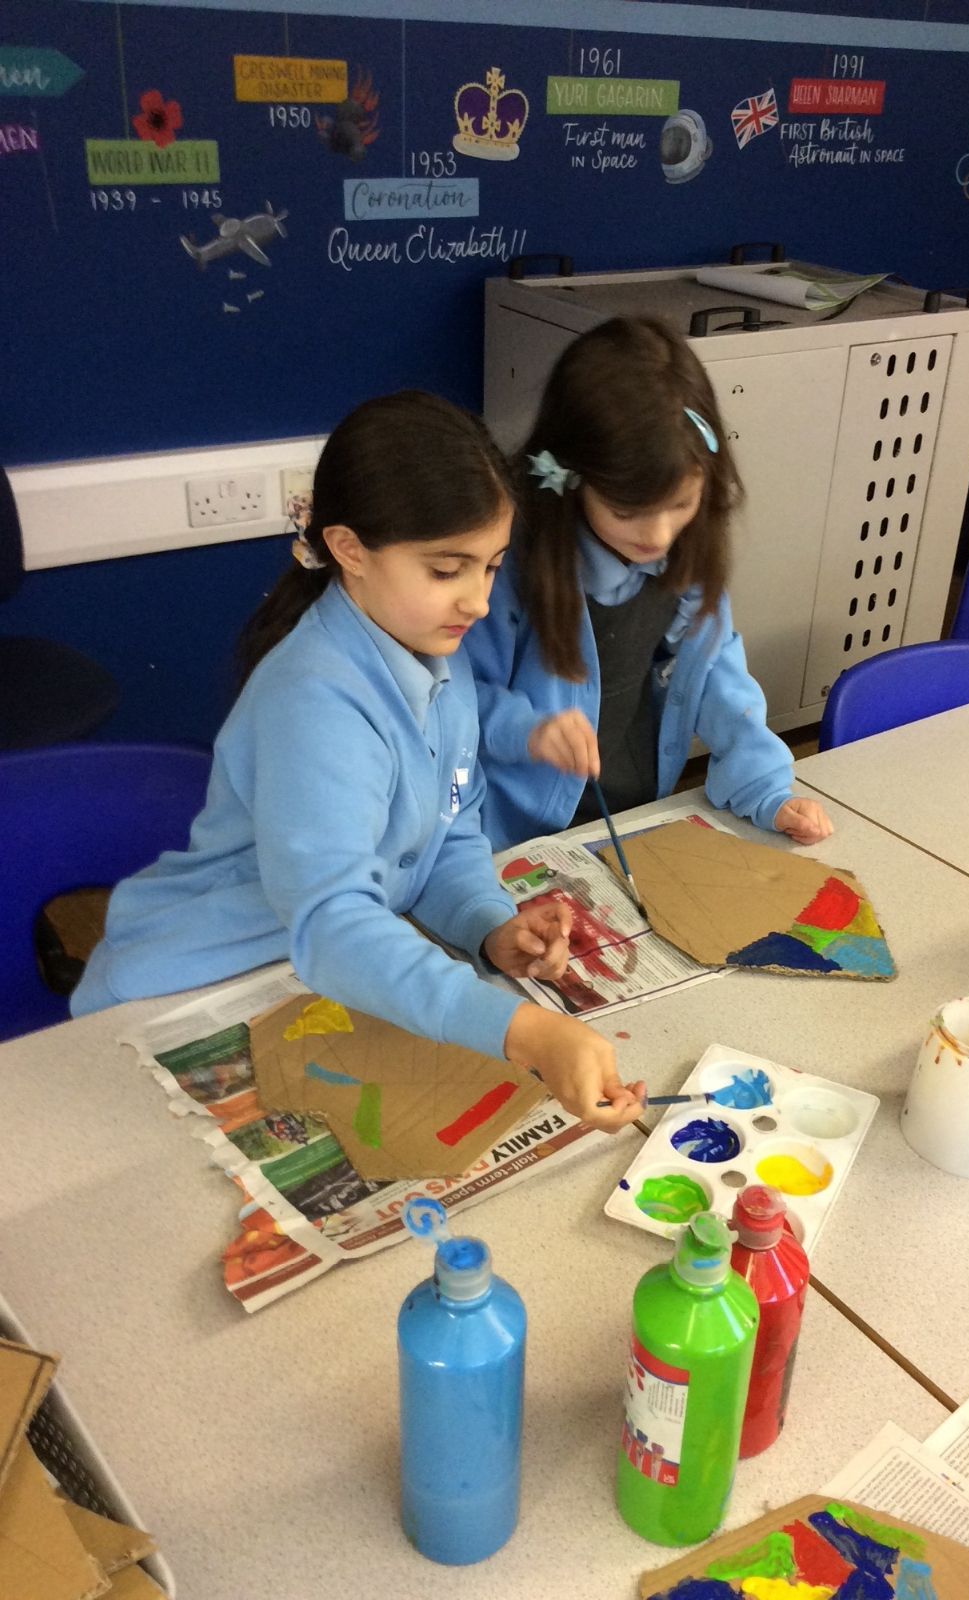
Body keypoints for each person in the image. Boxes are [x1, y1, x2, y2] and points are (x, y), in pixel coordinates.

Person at [72, 393, 644, 1131]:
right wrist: (523, 1031)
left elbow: (449, 831)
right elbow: (334, 921)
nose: (477, 601)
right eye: (447, 569)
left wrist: (486, 924)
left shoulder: (440, 658)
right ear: (348, 549)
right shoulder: (314, 700)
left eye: (491, 567)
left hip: (304, 976)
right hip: (187, 988)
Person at [461, 317, 834, 850]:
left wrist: (765, 788)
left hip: (634, 810)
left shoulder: (687, 550)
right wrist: (529, 730)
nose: (658, 535)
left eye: (681, 504)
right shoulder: (507, 564)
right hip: (516, 832)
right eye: (626, 511)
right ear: (572, 480)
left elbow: (716, 674)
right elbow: (453, 695)